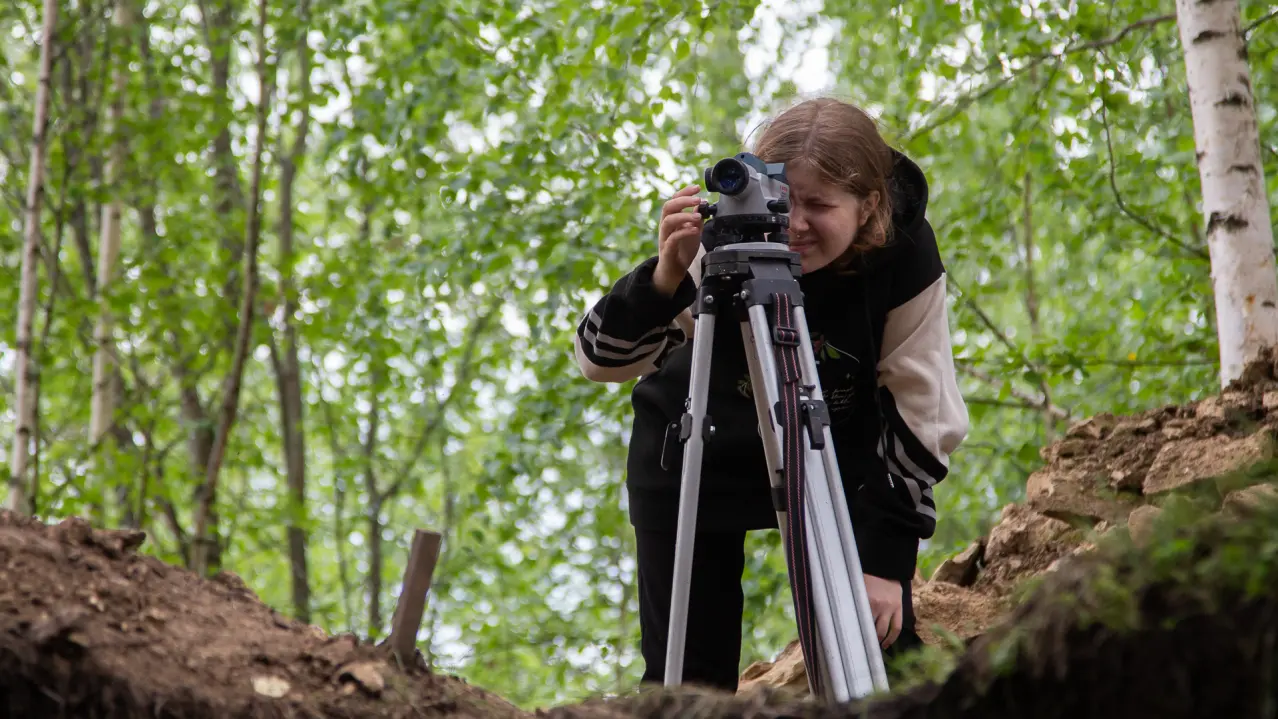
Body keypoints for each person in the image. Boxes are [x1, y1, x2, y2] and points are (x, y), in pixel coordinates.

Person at [572, 97, 969, 693]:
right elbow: (600, 360)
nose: (795, 224)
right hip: (695, 454)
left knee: (878, 643)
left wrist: (886, 559)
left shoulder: (904, 256)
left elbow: (922, 413)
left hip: (830, 459)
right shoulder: (733, 232)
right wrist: (666, 276)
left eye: (820, 206)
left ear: (869, 206)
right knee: (690, 685)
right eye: (786, 200)